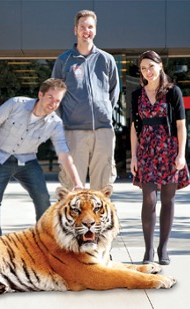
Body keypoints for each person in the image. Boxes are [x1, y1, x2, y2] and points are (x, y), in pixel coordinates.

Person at [0, 78, 83, 239]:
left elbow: (64, 153)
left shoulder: (54, 123)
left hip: (28, 162)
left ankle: (44, 241)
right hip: (0, 159)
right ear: (40, 94)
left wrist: (77, 183)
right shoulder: (15, 104)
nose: (53, 103)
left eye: (58, 101)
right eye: (50, 97)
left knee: (43, 199)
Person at [130, 50, 190, 265]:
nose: (148, 71)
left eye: (151, 66)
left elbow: (181, 125)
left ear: (160, 66)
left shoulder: (173, 92)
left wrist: (181, 155)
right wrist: (134, 157)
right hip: (146, 150)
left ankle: (163, 248)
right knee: (149, 200)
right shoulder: (137, 95)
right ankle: (148, 250)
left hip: (169, 150)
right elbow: (134, 127)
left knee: (168, 199)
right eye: (144, 68)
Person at [51, 9, 120, 190]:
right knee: (72, 189)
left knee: (102, 189)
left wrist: (103, 111)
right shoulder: (63, 61)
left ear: (95, 30)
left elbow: (114, 92)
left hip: (104, 132)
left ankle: (97, 220)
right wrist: (65, 122)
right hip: (73, 132)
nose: (86, 31)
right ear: (75, 30)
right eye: (82, 27)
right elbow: (54, 96)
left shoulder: (107, 60)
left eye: (90, 27)